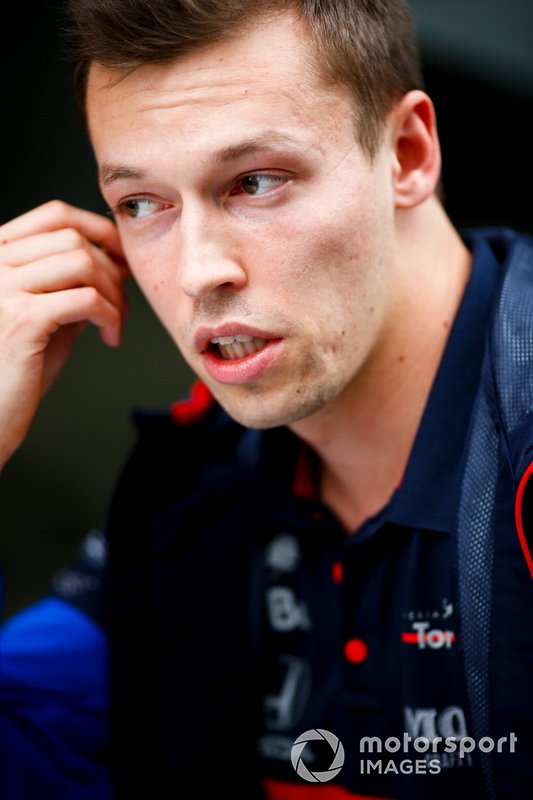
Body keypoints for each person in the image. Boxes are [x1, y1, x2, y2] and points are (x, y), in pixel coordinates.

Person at [0, 0, 532, 798]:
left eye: (254, 182)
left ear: (408, 154)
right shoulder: (191, 485)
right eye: (141, 203)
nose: (194, 272)